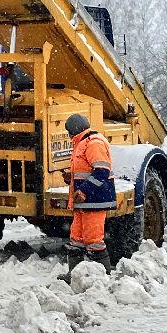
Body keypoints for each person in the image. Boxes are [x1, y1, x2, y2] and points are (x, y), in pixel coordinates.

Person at [63, 113, 115, 269]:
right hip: (84, 202)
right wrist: (70, 177)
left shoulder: (93, 143)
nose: (69, 135)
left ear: (75, 130)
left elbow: (102, 171)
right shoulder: (82, 143)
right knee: (76, 239)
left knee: (94, 241)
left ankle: (103, 275)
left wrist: (84, 191)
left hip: (95, 200)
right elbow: (85, 171)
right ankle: (75, 274)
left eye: (69, 131)